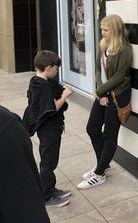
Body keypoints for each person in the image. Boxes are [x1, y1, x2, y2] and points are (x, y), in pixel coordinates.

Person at [78, 14, 132, 190]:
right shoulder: (104, 45)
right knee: (92, 128)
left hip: (117, 96)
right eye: (102, 29)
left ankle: (99, 173)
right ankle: (103, 164)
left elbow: (119, 76)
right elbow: (98, 71)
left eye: (105, 30)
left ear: (114, 30)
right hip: (102, 94)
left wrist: (103, 92)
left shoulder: (125, 49)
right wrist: (100, 93)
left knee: (110, 134)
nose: (102, 32)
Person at [22, 50, 73, 208]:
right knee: (48, 162)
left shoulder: (39, 81)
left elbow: (52, 94)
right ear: (48, 68)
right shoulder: (41, 86)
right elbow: (51, 107)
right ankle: (46, 196)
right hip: (48, 129)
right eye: (56, 68)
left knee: (51, 159)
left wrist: (60, 91)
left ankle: (50, 188)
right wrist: (65, 96)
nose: (57, 71)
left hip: (51, 128)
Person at [0, 106, 50, 222]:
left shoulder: (6, 126)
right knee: (47, 162)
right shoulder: (6, 127)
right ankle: (49, 191)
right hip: (47, 129)